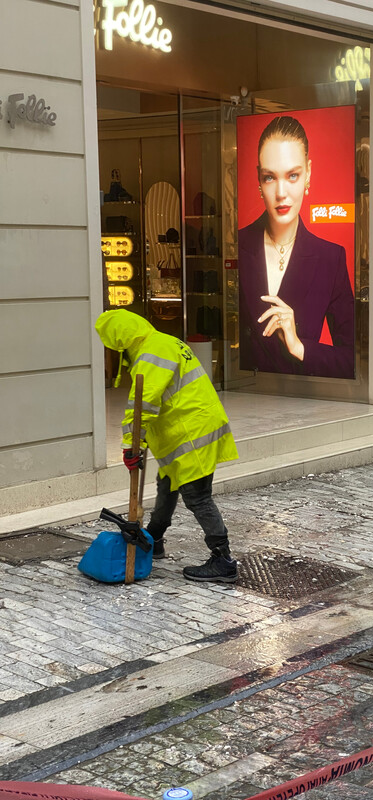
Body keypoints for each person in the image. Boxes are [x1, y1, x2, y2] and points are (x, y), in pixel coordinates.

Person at [95, 309, 239, 582]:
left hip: (190, 431)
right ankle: (155, 538)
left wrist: (131, 445)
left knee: (197, 496)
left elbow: (142, 404)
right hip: (190, 425)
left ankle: (223, 559)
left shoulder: (151, 353)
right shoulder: (162, 342)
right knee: (168, 483)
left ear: (119, 340)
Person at [238, 115, 355, 379]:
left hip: (302, 401)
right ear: (258, 179)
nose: (281, 192)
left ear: (308, 174)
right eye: (270, 177)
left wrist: (299, 346)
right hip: (241, 398)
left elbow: (351, 359)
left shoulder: (330, 259)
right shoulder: (236, 246)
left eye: (293, 175)